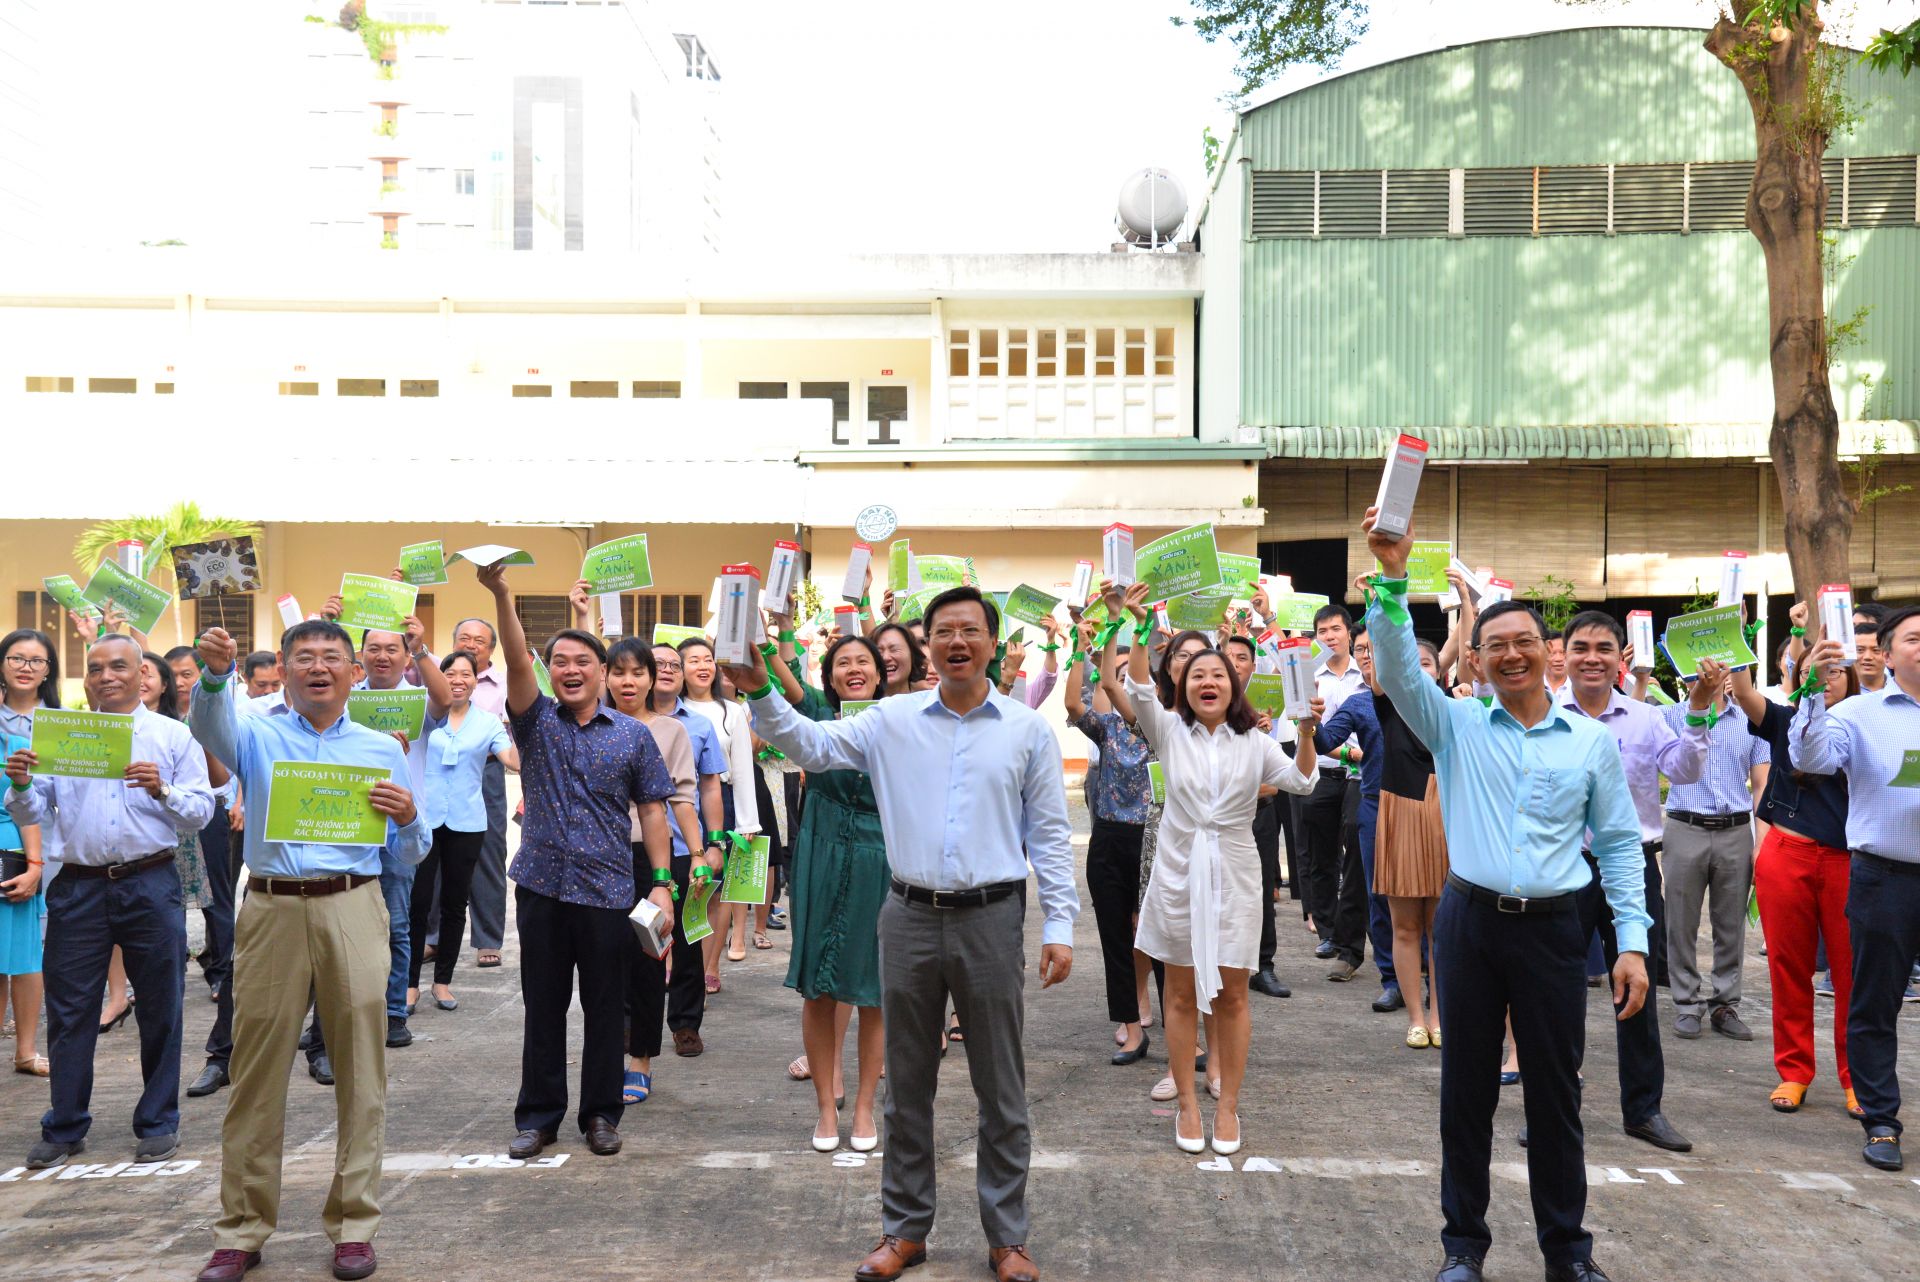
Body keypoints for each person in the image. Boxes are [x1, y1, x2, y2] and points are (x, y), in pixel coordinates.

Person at [724, 585, 1076, 1282]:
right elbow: (813, 746)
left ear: (991, 642)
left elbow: (1051, 834)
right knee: (905, 1085)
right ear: (927, 646)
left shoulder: (1026, 730)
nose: (956, 642)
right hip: (907, 915)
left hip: (992, 916)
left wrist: (1059, 923)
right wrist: (764, 690)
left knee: (1000, 1087)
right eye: (943, 630)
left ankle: (1007, 1238)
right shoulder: (890, 718)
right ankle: (905, 1231)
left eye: (970, 631)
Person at [1364, 509, 1647, 1282]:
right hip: (1470, 925)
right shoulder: (1454, 724)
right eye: (1497, 646)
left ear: (1546, 655)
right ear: (1479, 659)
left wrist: (1632, 944)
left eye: (1525, 642)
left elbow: (1619, 847)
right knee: (1467, 1096)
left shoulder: (1589, 742)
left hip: (1557, 930)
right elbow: (1394, 669)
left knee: (1555, 1099)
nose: (1512, 655)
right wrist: (1391, 577)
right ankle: (1463, 1249)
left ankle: (1568, 1253)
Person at [187, 619, 425, 1282]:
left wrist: (407, 819)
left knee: (360, 1069)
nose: (317, 667)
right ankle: (240, 1230)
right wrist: (212, 676)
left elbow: (406, 854)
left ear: (355, 674)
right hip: (271, 907)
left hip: (354, 902)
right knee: (256, 1071)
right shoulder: (257, 733)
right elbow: (209, 728)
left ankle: (354, 1226)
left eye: (331, 658)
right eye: (304, 657)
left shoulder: (381, 748)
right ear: (285, 671)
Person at [476, 562, 676, 1164]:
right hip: (540, 887)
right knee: (543, 1004)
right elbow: (514, 661)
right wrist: (502, 593)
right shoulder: (535, 723)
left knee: (603, 1004)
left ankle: (601, 1115)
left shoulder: (632, 736)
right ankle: (538, 1118)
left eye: (582, 662)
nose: (570, 670)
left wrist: (663, 885)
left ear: (604, 673)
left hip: (609, 890)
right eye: (559, 661)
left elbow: (653, 812)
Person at [1120, 581, 1319, 1156]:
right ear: (1181, 685)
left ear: (1235, 687)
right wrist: (1137, 627)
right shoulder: (1167, 729)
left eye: (1220, 675)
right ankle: (1185, 1102)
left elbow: (1303, 780)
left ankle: (1227, 1105)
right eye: (1197, 674)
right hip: (1180, 868)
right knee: (1180, 995)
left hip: (1233, 871)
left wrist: (1304, 730)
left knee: (1233, 994)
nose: (1209, 680)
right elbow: (1135, 683)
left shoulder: (1254, 741)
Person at [5, 631, 214, 1175]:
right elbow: (31, 812)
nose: (106, 677)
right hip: (78, 885)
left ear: (142, 673)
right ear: (85, 678)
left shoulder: (170, 736)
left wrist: (162, 790)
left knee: (161, 1005)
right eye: (95, 669)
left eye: (118, 666)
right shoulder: (64, 734)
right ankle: (65, 1125)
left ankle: (157, 1122)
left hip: (150, 881)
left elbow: (201, 812)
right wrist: (23, 783)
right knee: (71, 1010)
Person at [1555, 608, 1720, 1155]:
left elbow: (1688, 771)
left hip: (1632, 867)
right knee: (1555, 993)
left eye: (1604, 648)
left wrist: (1697, 711)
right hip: (1562, 869)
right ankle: (1553, 1109)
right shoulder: (1548, 713)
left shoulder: (1647, 718)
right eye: (1581, 647)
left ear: (1621, 657)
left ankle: (1643, 1110)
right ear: (1565, 653)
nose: (1592, 658)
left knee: (1638, 988)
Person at [1789, 605, 1920, 1173]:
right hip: (1885, 878)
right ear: (1886, 655)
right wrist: (1812, 691)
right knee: (1875, 1002)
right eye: (1915, 639)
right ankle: (1882, 1121)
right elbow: (1810, 758)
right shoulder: (1861, 714)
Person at [763, 627, 890, 1153]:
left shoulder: (901, 719)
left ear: (881, 673)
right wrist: (773, 638)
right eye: (843, 662)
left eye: (864, 661)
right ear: (830, 675)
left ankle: (864, 1109)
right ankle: (825, 1110)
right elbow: (778, 688)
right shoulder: (816, 710)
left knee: (875, 988)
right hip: (821, 850)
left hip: (882, 854)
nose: (853, 669)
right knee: (819, 983)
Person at [1729, 639, 1859, 1115]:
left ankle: (1857, 1077)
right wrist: (1737, 633)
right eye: (1815, 671)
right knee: (1789, 968)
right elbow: (1742, 691)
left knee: (1851, 973)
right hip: (1786, 854)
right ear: (1798, 675)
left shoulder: (1864, 725)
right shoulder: (1785, 719)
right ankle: (1794, 1070)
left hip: (1849, 862)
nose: (1826, 680)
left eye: (1835, 672)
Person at [1357, 623, 1452, 1048]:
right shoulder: (1388, 704)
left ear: (1440, 673)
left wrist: (1466, 604)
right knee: (1407, 926)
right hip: (1398, 812)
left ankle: (1440, 1015)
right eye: (1411, 662)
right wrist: (1381, 604)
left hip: (1445, 816)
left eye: (1426, 663)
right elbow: (1383, 667)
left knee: (1442, 927)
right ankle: (1416, 1017)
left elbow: (1459, 647)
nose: (1418, 669)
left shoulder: (1454, 709)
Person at [407, 650, 518, 1014]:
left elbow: (512, 761)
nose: (458, 679)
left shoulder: (488, 722)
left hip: (468, 823)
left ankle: (442, 982)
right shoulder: (422, 715)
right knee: (418, 903)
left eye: (466, 674)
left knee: (456, 904)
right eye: (450, 673)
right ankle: (409, 985)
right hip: (423, 821)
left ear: (476, 680)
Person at [1661, 671, 1769, 1042]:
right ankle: (1686, 1003)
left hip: (1736, 830)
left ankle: (1725, 1004)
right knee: (1680, 920)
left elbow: (1761, 784)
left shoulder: (1750, 721)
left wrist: (1760, 840)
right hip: (1684, 826)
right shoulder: (1670, 717)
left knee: (1730, 924)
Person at [1066, 617, 1155, 1063]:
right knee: (1115, 936)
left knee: (1159, 937)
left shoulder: (1162, 730)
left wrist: (1136, 630)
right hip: (1108, 840)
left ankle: (1184, 1030)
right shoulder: (1107, 729)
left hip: (1153, 841)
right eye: (1118, 679)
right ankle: (1132, 1026)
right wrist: (1099, 640)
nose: (1123, 685)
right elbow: (1076, 700)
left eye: (1132, 679)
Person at [648, 640, 730, 1038]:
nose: (666, 670)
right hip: (631, 848)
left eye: (673, 665)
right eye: (657, 663)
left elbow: (710, 788)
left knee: (687, 939)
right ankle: (634, 1023)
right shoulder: (620, 718)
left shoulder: (699, 725)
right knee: (637, 939)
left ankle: (685, 1024)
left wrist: (714, 845)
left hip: (685, 848)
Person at [1313, 628, 1396, 1002]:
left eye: (1373, 649)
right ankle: (1392, 979)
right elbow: (1325, 741)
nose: (1366, 655)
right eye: (1361, 649)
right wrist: (1308, 720)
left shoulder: (1418, 699)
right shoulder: (1357, 703)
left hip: (1423, 806)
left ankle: (1428, 975)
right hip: (1374, 804)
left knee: (1425, 896)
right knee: (1376, 892)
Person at [1218, 633, 1292, 1001]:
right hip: (1214, 819)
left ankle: (1263, 965)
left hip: (1257, 811)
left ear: (1252, 666)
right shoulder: (1206, 704)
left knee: (1260, 889)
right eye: (1226, 655)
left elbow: (1278, 780)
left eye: (1242, 657)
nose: (1233, 662)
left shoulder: (1266, 707)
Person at [0, 630, 54, 1078]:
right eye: (16, 658)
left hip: (32, 847)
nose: (25, 667)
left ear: (48, 671)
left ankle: (26, 1050)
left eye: (36, 661)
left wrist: (35, 862)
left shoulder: (60, 725)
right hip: (18, 844)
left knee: (28, 953)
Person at [1302, 604, 1364, 962]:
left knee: (1355, 856)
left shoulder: (1366, 674)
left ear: (1349, 633)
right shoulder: (1312, 676)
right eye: (1322, 631)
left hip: (1359, 777)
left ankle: (1350, 932)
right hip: (1321, 774)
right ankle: (1327, 932)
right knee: (1322, 858)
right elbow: (1303, 727)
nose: (1330, 637)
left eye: (1336, 629)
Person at [449, 616, 509, 971]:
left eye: (480, 641)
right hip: (440, 769)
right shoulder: (438, 680)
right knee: (436, 850)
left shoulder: (503, 685)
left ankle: (488, 939)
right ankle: (433, 938)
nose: (471, 645)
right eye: (464, 638)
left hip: (486, 770)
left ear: (490, 650)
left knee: (488, 850)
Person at [1853, 620, 1887, 693]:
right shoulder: (1839, 692)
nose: (1867, 657)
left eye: (1876, 650)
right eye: (1860, 650)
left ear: (1888, 654)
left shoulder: (1902, 688)